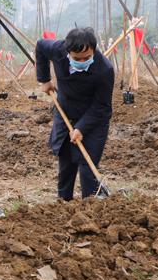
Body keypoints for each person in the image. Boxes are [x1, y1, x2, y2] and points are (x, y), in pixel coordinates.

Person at [36, 27, 114, 200]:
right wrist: (44, 79)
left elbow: (102, 107)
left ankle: (90, 204)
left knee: (87, 165)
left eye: (87, 58)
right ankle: (64, 203)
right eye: (77, 59)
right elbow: (40, 46)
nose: (82, 61)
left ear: (94, 51)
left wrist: (81, 128)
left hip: (93, 120)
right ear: (67, 51)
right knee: (66, 162)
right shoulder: (58, 50)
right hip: (66, 113)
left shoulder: (104, 70)